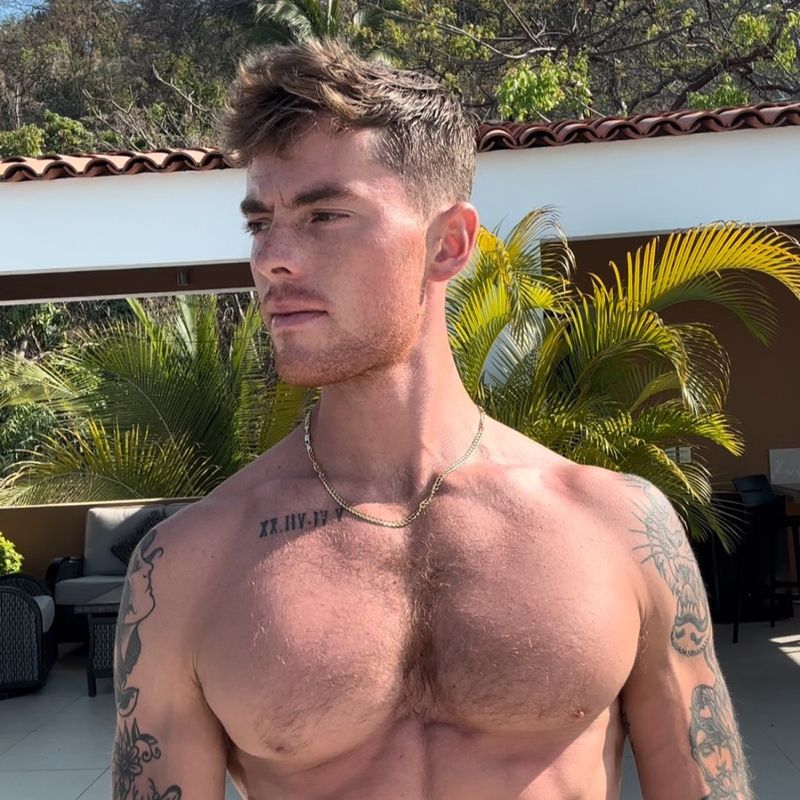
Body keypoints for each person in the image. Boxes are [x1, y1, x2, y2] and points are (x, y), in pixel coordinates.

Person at [112, 39, 752, 800]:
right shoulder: (187, 564)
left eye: (324, 215)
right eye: (260, 224)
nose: (273, 258)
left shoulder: (618, 526)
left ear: (448, 245)